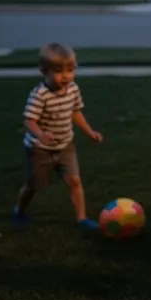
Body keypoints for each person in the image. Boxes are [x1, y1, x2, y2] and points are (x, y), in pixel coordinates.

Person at [12, 43, 104, 229]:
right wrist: (40, 134)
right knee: (33, 186)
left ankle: (82, 219)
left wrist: (90, 132)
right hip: (39, 150)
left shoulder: (73, 89)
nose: (66, 76)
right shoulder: (40, 95)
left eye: (70, 70)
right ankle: (18, 211)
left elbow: (75, 112)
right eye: (59, 71)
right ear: (44, 71)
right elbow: (29, 120)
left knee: (75, 181)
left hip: (65, 146)